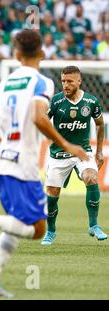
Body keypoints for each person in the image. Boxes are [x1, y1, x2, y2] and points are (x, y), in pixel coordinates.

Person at [0, 29, 89, 297]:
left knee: (19, 222)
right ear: (41, 53)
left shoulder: (3, 85)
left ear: (16, 55)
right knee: (38, 229)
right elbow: (40, 118)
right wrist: (66, 144)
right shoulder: (42, 83)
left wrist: (5, 146)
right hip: (23, 165)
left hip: (3, 160)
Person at [41, 66, 106, 245]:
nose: (65, 85)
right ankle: (51, 231)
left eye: (69, 81)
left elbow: (100, 124)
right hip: (58, 154)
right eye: (63, 81)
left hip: (83, 152)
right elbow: (42, 122)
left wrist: (99, 151)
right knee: (52, 195)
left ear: (79, 81)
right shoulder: (55, 101)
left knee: (91, 177)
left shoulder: (91, 102)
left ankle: (94, 225)